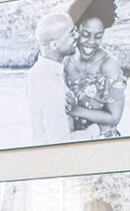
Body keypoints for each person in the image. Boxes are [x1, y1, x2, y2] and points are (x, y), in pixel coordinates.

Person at [27, 12, 100, 145]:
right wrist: (96, 130)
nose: (77, 36)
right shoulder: (49, 84)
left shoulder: (39, 72)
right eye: (71, 33)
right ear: (54, 45)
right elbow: (61, 142)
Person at [64, 0, 126, 138]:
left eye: (98, 36)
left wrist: (75, 110)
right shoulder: (65, 60)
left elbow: (115, 118)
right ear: (76, 29)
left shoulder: (109, 64)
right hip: (70, 139)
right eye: (85, 34)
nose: (91, 42)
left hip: (103, 139)